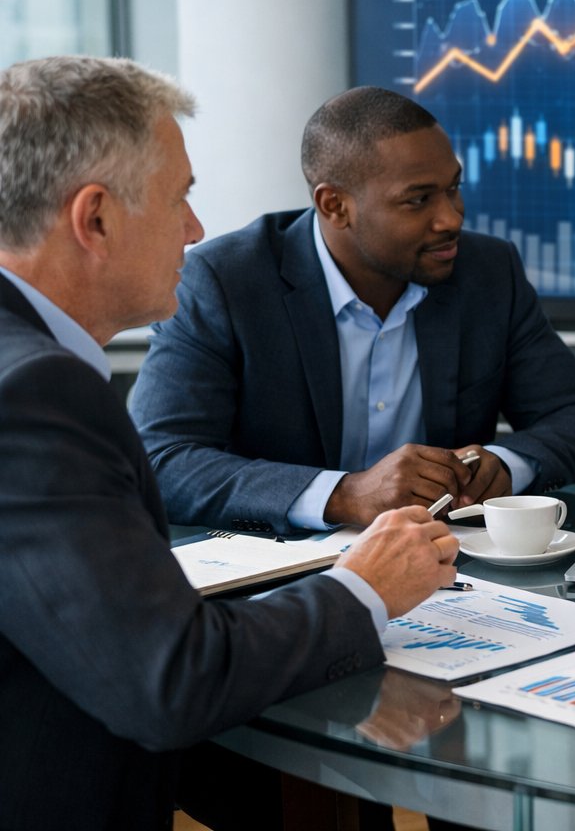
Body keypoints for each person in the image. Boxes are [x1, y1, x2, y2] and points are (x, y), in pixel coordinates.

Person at [0, 56, 459, 828]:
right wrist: (365, 586)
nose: (195, 229)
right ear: (96, 219)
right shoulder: (33, 398)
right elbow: (170, 680)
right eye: (180, 198)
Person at [130, 86, 575, 536]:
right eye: (418, 200)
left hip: (453, 572)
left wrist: (504, 466)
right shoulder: (225, 282)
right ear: (334, 205)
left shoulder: (487, 272)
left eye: (453, 188)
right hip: (285, 582)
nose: (451, 217)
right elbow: (160, 459)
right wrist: (344, 494)